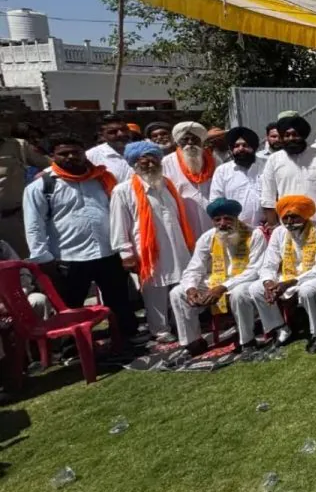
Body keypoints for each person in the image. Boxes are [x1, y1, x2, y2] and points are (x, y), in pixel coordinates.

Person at [23, 134, 137, 339]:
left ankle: (127, 339)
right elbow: (34, 226)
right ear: (52, 156)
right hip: (69, 257)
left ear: (84, 153)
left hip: (108, 252)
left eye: (75, 152)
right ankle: (74, 346)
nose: (71, 157)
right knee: (71, 306)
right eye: (63, 153)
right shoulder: (41, 186)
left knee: (120, 301)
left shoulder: (102, 178)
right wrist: (43, 259)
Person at [110, 142, 197, 343]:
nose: (150, 164)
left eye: (154, 160)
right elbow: (118, 225)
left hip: (176, 244)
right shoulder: (123, 190)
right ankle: (160, 330)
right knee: (154, 290)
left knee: (181, 284)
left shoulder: (167, 184)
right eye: (144, 161)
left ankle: (182, 323)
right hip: (148, 251)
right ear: (135, 164)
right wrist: (126, 254)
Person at [169, 198, 270, 355]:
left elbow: (255, 269)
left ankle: (247, 341)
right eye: (217, 220)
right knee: (177, 292)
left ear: (236, 218)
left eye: (227, 218)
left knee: (239, 293)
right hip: (214, 281)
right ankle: (193, 342)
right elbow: (194, 268)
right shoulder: (207, 238)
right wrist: (191, 288)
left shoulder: (254, 234)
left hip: (244, 280)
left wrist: (222, 287)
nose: (222, 224)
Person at [249, 195, 316, 353]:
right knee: (256, 288)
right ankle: (281, 329)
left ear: (305, 215)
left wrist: (289, 283)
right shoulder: (279, 232)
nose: (289, 222)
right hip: (286, 277)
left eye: (294, 217)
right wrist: (269, 282)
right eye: (285, 218)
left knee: (306, 290)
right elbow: (269, 263)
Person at [259, 115, 316, 226]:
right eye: (287, 135)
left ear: (303, 135)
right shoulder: (274, 160)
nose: (291, 138)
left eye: (295, 134)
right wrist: (273, 226)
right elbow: (268, 197)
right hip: (288, 225)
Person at [0, 125, 49, 256]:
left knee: (22, 263)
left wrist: (45, 173)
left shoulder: (18, 146)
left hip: (11, 220)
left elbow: (51, 165)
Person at [162, 121, 216, 236]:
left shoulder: (214, 160)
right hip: (184, 218)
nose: (190, 143)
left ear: (201, 141)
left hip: (213, 219)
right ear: (178, 142)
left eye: (195, 139)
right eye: (185, 139)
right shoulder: (167, 162)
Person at [210, 127, 264, 228]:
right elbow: (216, 202)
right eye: (236, 146)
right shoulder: (222, 171)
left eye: (245, 145)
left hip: (266, 228)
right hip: (235, 229)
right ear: (231, 149)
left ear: (254, 147)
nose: (241, 149)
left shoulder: (266, 167)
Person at [85, 114, 134, 182]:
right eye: (113, 132)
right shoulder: (91, 155)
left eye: (124, 130)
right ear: (102, 135)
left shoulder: (143, 150)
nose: (121, 134)